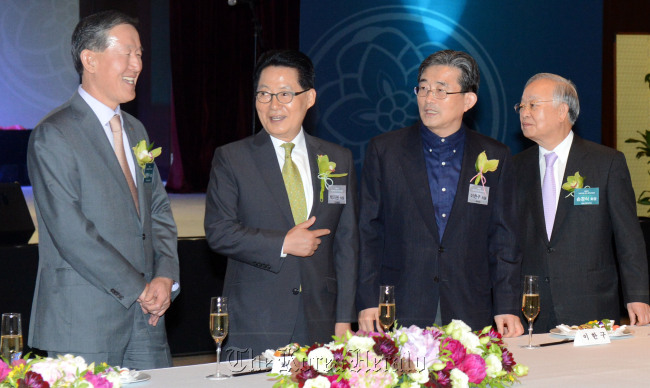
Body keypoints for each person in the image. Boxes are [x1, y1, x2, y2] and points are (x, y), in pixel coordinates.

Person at [27, 10, 180, 369]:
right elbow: (71, 232)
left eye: (140, 54)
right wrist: (138, 288)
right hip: (83, 323)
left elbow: (158, 211)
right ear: (89, 59)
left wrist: (165, 275)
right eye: (126, 52)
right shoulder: (55, 134)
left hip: (148, 320)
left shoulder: (135, 130)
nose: (137, 64)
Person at [356, 50, 524, 337]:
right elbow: (368, 232)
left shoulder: (495, 155)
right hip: (399, 304)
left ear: (468, 101)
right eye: (423, 88)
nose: (428, 98)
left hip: (470, 306)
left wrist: (507, 304)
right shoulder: (385, 151)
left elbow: (504, 238)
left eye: (441, 91)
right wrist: (368, 299)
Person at [204, 50, 358, 357]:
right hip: (256, 319)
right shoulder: (232, 158)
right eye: (264, 94)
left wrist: (344, 317)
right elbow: (219, 232)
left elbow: (347, 242)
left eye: (285, 94)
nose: (274, 105)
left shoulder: (338, 159)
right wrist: (283, 243)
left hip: (320, 318)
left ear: (310, 97)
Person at [514, 73, 650, 332]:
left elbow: (629, 237)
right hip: (531, 308)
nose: (524, 112)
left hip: (591, 305)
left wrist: (638, 295)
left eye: (533, 104)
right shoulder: (515, 167)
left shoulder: (606, 163)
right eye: (521, 106)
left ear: (562, 111)